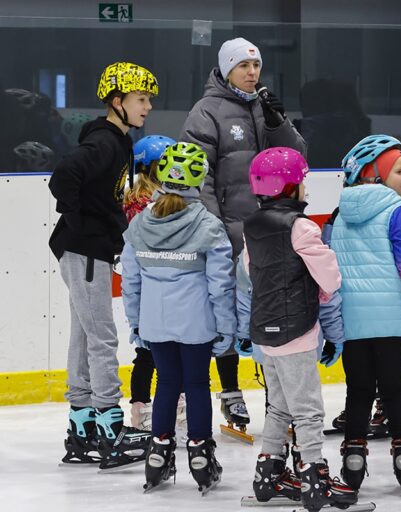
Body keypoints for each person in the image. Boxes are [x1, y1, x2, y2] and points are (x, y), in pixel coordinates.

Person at [179, 37, 307, 432]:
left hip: (271, 232)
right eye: (243, 67)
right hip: (228, 232)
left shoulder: (264, 107)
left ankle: (277, 399)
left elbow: (298, 159)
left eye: (256, 66)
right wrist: (215, 231)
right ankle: (231, 393)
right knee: (229, 318)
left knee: (274, 315)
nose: (252, 73)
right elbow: (199, 177)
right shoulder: (207, 112)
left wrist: (278, 124)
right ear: (226, 69)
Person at [49, 61, 157, 469]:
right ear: (118, 102)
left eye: (148, 99)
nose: (147, 106)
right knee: (102, 337)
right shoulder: (106, 143)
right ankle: (110, 427)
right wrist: (84, 225)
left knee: (84, 334)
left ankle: (82, 428)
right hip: (85, 250)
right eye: (140, 99)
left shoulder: (116, 139)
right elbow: (63, 177)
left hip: (81, 248)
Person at [243, 147, 357, 511]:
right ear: (288, 187)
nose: (305, 187)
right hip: (297, 328)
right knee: (307, 410)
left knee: (279, 405)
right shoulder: (301, 226)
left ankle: (269, 471)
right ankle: (314, 476)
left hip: (265, 328)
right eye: (302, 181)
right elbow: (330, 277)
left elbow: (249, 270)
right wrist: (322, 287)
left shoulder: (252, 225)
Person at [121, 142, 234, 494]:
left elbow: (131, 280)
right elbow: (221, 285)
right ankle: (200, 454)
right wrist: (226, 329)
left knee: (166, 383)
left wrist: (137, 323)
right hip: (196, 323)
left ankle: (158, 453)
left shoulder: (140, 223)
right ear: (200, 179)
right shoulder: (209, 226)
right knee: (197, 384)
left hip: (156, 322)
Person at [331, 135, 401, 494]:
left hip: (352, 319)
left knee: (358, 388)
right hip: (389, 319)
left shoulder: (341, 212)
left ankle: (354, 452)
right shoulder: (395, 210)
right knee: (393, 386)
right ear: (375, 175)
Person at [122, 135, 178, 434]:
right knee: (150, 352)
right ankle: (143, 408)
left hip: (154, 283)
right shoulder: (144, 200)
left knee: (150, 352)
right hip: (153, 282)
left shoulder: (144, 195)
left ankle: (145, 408)